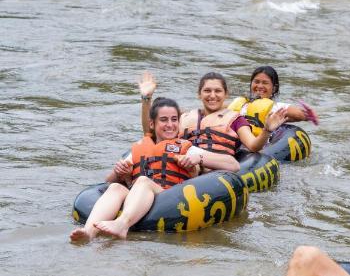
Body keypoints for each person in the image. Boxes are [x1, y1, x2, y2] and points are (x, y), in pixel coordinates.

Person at [70, 96, 239, 243]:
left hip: (168, 199)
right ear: (152, 123)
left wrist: (199, 158)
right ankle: (89, 233)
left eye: (174, 119)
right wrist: (119, 171)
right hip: (138, 198)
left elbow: (233, 165)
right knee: (115, 188)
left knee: (143, 181)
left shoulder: (186, 148)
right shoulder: (139, 148)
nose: (170, 125)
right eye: (164, 120)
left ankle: (122, 225)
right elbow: (108, 182)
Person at [139, 70, 288, 154]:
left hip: (214, 174)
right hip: (183, 168)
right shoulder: (184, 117)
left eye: (218, 91)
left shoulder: (236, 120)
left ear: (226, 94)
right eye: (207, 91)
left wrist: (267, 130)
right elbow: (150, 134)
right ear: (199, 94)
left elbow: (254, 146)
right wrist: (146, 98)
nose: (212, 95)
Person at [228, 65, 319, 133]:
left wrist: (308, 116)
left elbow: (298, 114)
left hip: (255, 149)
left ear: (274, 88)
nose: (259, 86)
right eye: (256, 82)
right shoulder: (240, 102)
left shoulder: (275, 107)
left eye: (265, 83)